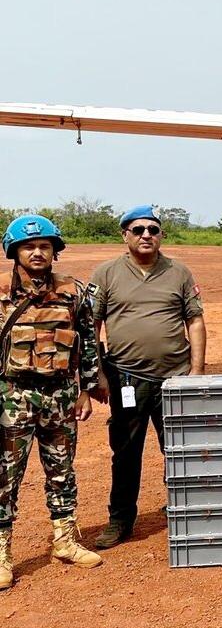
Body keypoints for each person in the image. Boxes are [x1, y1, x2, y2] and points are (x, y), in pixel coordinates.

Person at [91, 204, 207, 549]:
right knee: (125, 452)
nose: (146, 235)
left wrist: (197, 372)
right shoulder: (106, 274)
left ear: (161, 235)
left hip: (175, 377)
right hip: (127, 378)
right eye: (138, 229)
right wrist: (98, 373)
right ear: (124, 234)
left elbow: (195, 321)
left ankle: (185, 509)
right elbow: (92, 326)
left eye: (153, 230)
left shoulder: (179, 272)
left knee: (179, 449)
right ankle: (121, 520)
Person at [0, 215, 103, 589]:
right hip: (12, 396)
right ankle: (2, 551)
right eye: (29, 247)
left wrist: (87, 390)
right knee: (5, 476)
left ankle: (65, 540)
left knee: (62, 471)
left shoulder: (73, 293)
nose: (38, 252)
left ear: (55, 251)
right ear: (15, 252)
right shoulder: (1, 294)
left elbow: (88, 344)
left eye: (45, 246)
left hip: (60, 397)